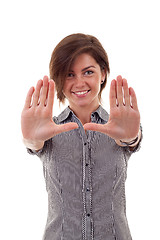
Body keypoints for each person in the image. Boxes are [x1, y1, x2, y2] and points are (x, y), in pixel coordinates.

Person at [21, 33, 142, 240]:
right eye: (69, 74)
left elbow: (132, 140)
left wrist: (133, 137)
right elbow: (35, 144)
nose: (79, 83)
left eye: (88, 72)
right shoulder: (49, 129)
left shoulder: (121, 125)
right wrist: (31, 141)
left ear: (103, 73)